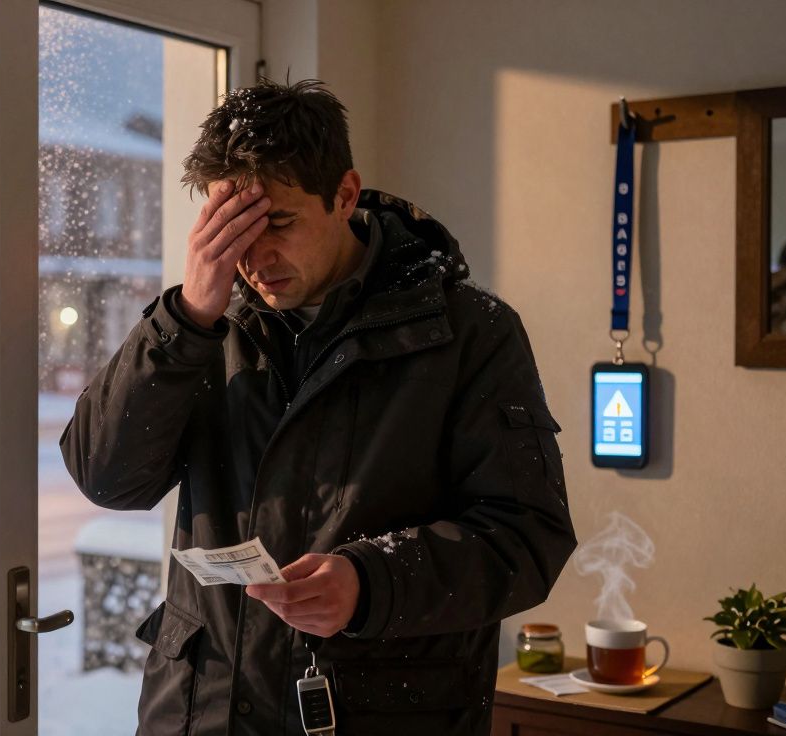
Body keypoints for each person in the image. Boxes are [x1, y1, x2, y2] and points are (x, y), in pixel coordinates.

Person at [60, 79, 577, 735]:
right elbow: (106, 476)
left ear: (345, 195)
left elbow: (529, 538)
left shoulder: (470, 333)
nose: (254, 255)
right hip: (203, 715)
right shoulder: (199, 328)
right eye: (230, 228)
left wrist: (371, 584)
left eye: (277, 222)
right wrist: (185, 321)